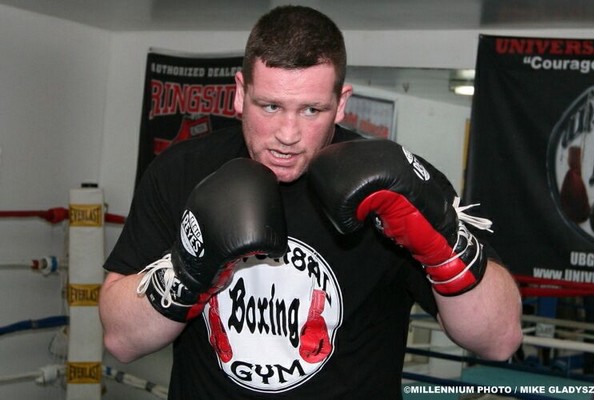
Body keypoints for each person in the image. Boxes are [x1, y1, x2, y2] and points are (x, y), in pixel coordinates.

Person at [99, 5, 522, 399]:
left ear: (341, 104)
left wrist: (442, 244)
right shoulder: (182, 172)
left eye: (311, 110)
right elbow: (121, 339)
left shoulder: (391, 184)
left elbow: (499, 339)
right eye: (270, 106)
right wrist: (186, 270)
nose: (287, 134)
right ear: (240, 93)